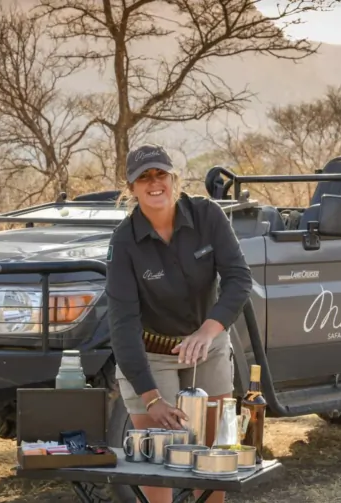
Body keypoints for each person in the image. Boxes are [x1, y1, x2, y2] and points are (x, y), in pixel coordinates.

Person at [105, 143, 253, 503]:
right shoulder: (123, 242)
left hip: (208, 342)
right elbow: (122, 324)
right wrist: (151, 397)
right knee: (160, 461)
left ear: (175, 179)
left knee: (212, 455)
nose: (154, 184)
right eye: (143, 178)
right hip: (151, 354)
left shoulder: (207, 216)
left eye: (161, 174)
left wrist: (209, 329)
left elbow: (238, 278)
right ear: (131, 188)